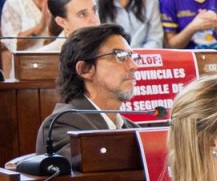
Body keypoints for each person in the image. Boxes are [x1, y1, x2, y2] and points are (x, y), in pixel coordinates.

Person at [33, 23, 139, 156]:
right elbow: (98, 166)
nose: (134, 66)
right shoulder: (61, 124)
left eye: (133, 57)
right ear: (85, 69)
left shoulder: (133, 128)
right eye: (121, 56)